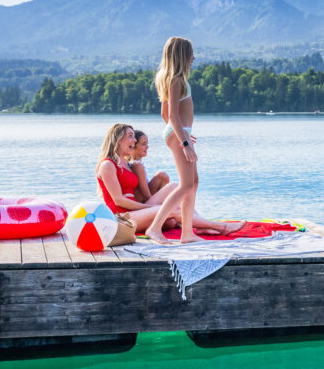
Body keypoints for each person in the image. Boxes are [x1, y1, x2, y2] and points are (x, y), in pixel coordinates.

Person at [96, 123, 240, 236]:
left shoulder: (127, 165)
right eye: (130, 136)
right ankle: (221, 226)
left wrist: (183, 141)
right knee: (172, 210)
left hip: (135, 212)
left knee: (174, 186)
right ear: (117, 138)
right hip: (121, 218)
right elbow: (118, 201)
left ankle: (200, 225)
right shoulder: (108, 165)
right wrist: (152, 208)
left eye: (134, 136)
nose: (134, 140)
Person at [145, 37, 207, 244]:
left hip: (179, 133)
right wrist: (184, 142)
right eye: (190, 54)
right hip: (179, 135)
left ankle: (187, 233)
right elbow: (172, 115)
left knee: (193, 183)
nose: (193, 58)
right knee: (185, 185)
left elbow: (165, 114)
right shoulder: (176, 80)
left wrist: (183, 134)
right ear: (181, 56)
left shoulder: (172, 79)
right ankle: (154, 228)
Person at [126, 129, 170, 203]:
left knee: (162, 176)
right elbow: (146, 196)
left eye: (147, 144)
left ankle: (165, 204)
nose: (147, 147)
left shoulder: (135, 164)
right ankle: (164, 206)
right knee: (162, 175)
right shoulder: (136, 166)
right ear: (133, 146)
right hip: (142, 203)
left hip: (145, 200)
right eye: (143, 144)